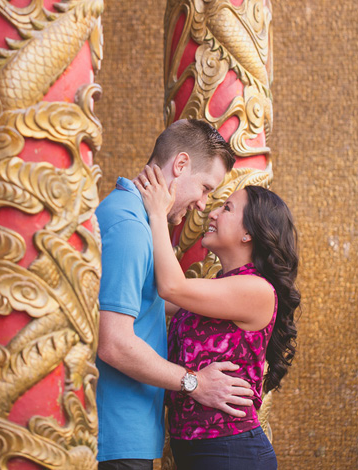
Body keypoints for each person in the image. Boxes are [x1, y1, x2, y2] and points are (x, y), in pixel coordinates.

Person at [95, 119, 252, 469]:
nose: (203, 205)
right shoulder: (129, 227)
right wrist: (195, 382)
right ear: (180, 165)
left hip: (130, 428)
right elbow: (114, 343)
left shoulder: (138, 220)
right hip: (117, 432)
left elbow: (152, 299)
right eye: (205, 188)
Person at [135, 166, 300, 469]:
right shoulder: (220, 287)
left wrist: (158, 213)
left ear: (249, 233)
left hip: (231, 450)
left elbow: (170, 287)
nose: (212, 213)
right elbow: (153, 298)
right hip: (197, 449)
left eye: (227, 208)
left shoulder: (257, 289)